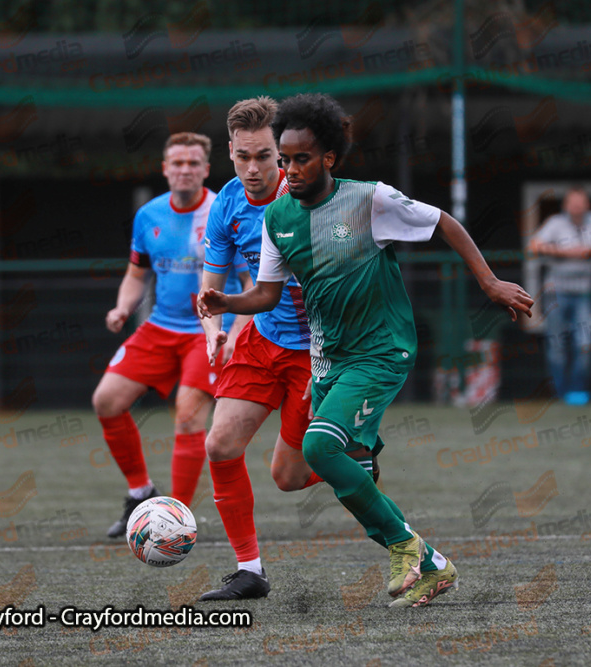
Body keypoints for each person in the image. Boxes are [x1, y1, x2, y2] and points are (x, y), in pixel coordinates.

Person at [199, 93, 534, 608]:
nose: (286, 169)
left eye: (294, 158)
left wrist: (488, 283)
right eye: (282, 159)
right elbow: (266, 294)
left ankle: (406, 544)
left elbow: (442, 220)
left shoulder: (368, 200)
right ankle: (428, 563)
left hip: (380, 350)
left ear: (329, 157)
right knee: (297, 470)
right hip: (323, 354)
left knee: (319, 449)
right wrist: (226, 303)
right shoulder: (277, 219)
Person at [197, 97, 379, 601]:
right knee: (219, 445)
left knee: (287, 476)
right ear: (229, 153)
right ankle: (249, 570)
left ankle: (352, 455)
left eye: (265, 157)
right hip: (262, 340)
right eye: (242, 157)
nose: (253, 169)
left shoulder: (313, 198)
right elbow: (212, 287)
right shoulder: (227, 205)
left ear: (283, 152)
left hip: (317, 352)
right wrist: (214, 327)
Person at [92, 132, 249, 538]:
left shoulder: (224, 210)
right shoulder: (149, 215)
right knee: (106, 400)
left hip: (209, 329)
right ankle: (140, 494)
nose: (184, 170)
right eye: (177, 163)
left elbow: (252, 280)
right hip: (161, 325)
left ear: (206, 170)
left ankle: (175, 519)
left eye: (193, 163)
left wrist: (235, 332)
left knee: (188, 414)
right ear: (165, 169)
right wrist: (123, 307)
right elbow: (135, 274)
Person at [527, 187, 591, 406]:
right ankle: (559, 394)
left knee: (584, 344)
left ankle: (576, 393)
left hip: (583, 294)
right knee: (557, 347)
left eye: (581, 202)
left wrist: (590, 250)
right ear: (566, 205)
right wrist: (565, 252)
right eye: (573, 202)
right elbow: (534, 245)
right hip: (556, 294)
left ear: (587, 204)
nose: (577, 206)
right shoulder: (555, 223)